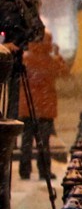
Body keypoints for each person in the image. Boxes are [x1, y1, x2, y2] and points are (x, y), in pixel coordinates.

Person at [17, 34, 68, 182]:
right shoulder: (51, 61)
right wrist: (58, 56)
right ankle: (44, 171)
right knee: (43, 143)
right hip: (45, 108)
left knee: (26, 141)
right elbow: (64, 73)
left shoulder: (25, 58)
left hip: (27, 107)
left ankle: (24, 170)